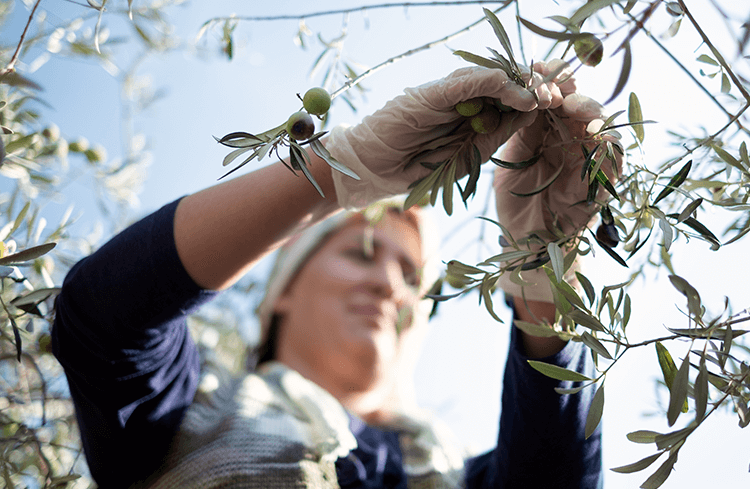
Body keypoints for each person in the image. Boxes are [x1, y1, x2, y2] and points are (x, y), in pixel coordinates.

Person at [52, 59, 614, 488]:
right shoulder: (194, 409)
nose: (388, 286)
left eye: (411, 279)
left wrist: (545, 278)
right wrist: (335, 174)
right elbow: (101, 321)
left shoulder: (463, 476)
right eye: (362, 254)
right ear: (284, 292)